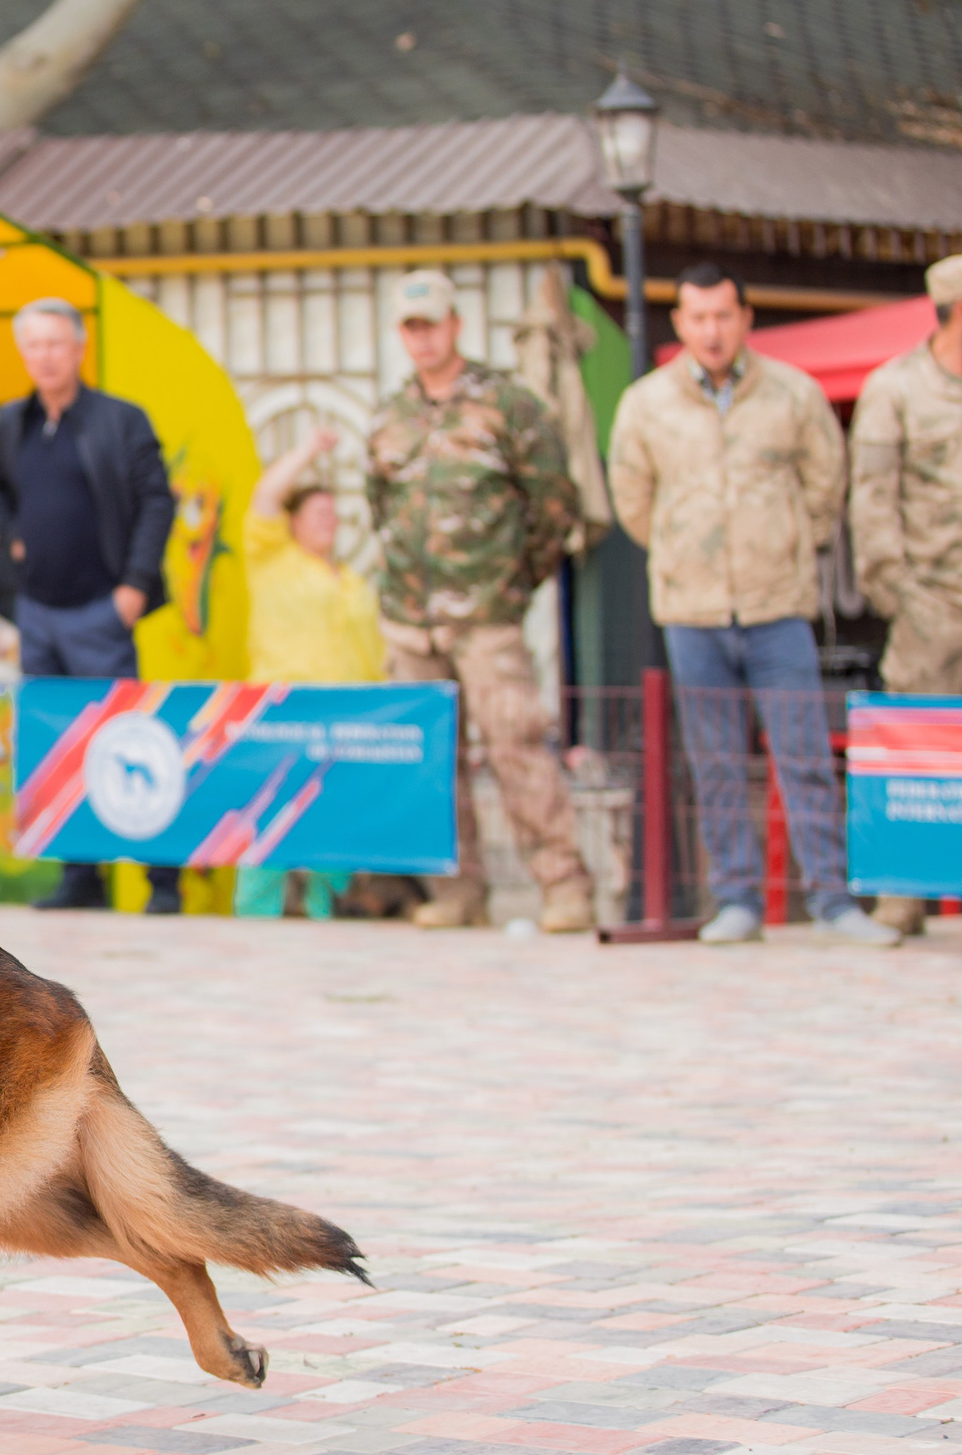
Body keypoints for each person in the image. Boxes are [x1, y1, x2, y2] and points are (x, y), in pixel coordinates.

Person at [607, 262, 900, 947]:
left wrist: (789, 544)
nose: (711, 331)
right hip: (693, 610)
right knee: (713, 760)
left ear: (744, 319)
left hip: (777, 606)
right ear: (679, 323)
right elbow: (633, 499)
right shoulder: (647, 404)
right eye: (697, 318)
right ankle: (735, 898)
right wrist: (686, 552)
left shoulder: (793, 394)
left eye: (723, 316)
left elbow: (826, 484)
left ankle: (832, 897)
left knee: (801, 756)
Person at [366, 270, 596, 934]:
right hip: (411, 619)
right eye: (411, 327)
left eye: (432, 323)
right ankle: (461, 891)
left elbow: (554, 503)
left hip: (488, 617)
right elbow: (381, 506)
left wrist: (516, 582)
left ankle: (563, 885)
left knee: (517, 745)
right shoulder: (389, 415)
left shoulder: (509, 404)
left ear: (455, 324)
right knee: (432, 758)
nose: (423, 337)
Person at [0, 296, 178, 913]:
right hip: (38, 611)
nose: (45, 356)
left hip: (102, 610)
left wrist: (135, 588)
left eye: (56, 343)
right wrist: (12, 533)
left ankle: (160, 883)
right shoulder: (13, 423)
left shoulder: (121, 420)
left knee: (129, 738)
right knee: (58, 742)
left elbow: (158, 502)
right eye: (34, 345)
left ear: (80, 348)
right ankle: (78, 878)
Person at [845, 253, 962, 938]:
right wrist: (905, 598)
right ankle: (902, 896)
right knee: (916, 746)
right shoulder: (894, 389)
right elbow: (872, 506)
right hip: (928, 601)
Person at [236, 424, 384, 918]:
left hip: (343, 718)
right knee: (268, 821)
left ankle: (326, 913)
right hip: (283, 712)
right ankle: (256, 918)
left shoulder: (353, 580)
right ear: (293, 520)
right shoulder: (272, 560)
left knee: (333, 824)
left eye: (334, 513)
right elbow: (265, 495)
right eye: (318, 511)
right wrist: (311, 449)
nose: (329, 521)